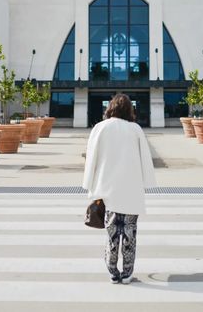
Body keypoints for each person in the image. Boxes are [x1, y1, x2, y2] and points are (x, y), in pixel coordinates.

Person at [82, 93, 157, 284]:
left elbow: (92, 158)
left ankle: (113, 271)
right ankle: (127, 273)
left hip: (108, 190)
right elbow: (145, 159)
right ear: (129, 110)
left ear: (110, 108)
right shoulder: (135, 129)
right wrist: (147, 183)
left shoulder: (100, 128)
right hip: (131, 189)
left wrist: (90, 186)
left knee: (112, 232)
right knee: (129, 233)